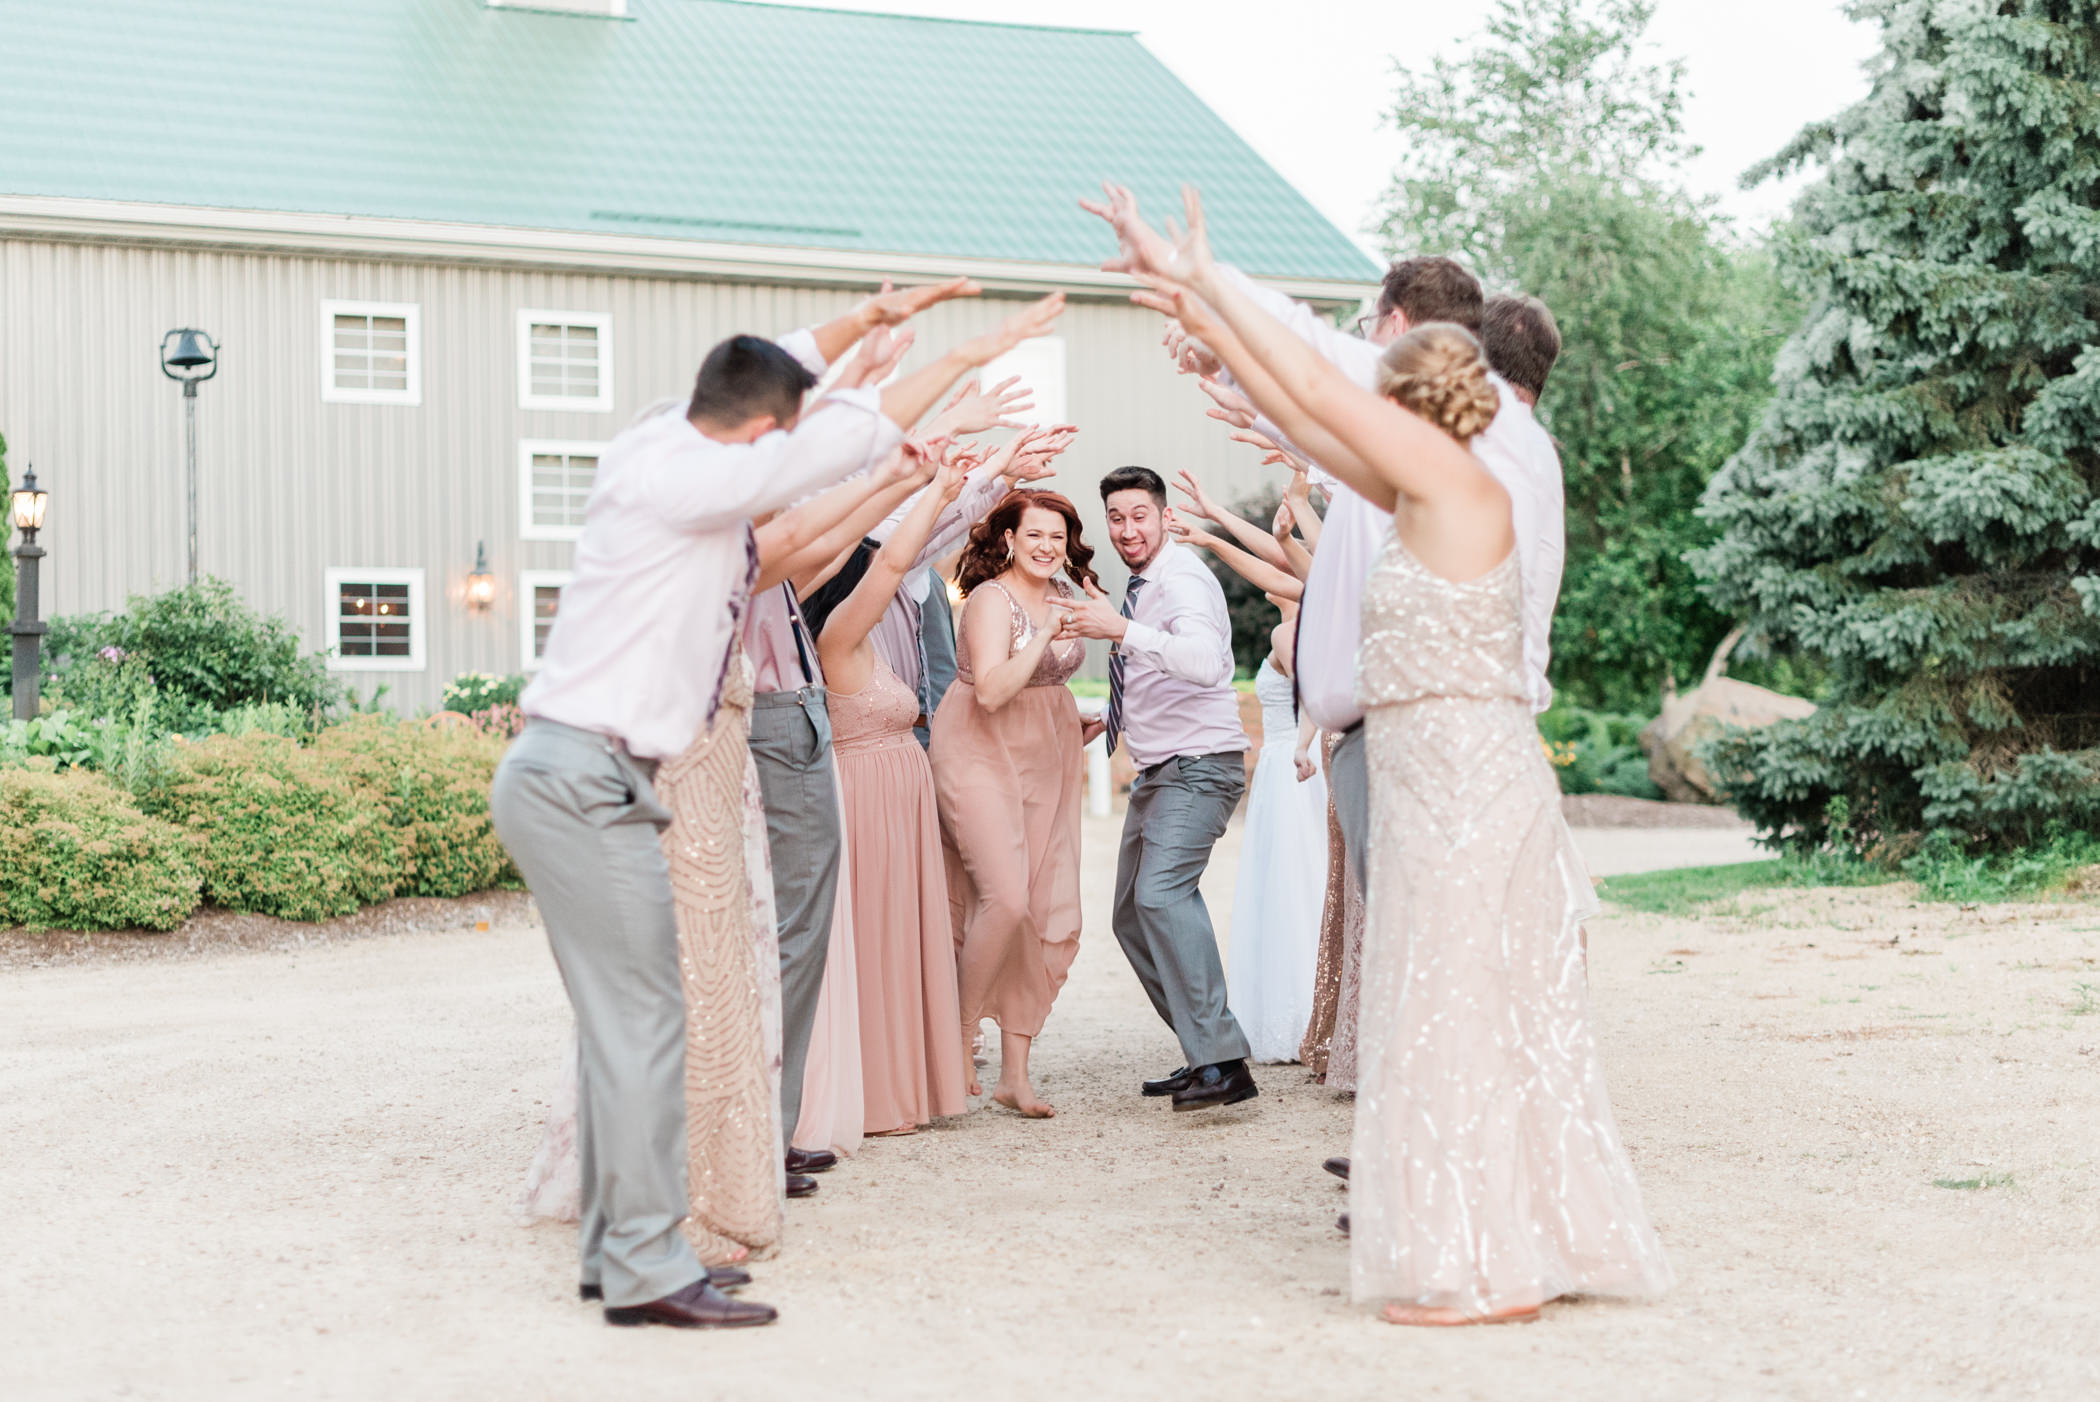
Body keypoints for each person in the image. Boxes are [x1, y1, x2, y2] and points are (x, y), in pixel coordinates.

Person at [1125, 184, 1672, 1326]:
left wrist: (1213, 281)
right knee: (1457, 1003)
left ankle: (1492, 1270)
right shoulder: (1431, 480)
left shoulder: (1456, 482)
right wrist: (1218, 333)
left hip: (1465, 786)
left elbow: (1327, 386)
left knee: (1460, 1007)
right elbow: (1314, 418)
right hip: (1444, 781)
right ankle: (1514, 1237)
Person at [491, 283, 1064, 1330]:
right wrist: (976, 349)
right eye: (782, 436)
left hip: (582, 772)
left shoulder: (661, 452)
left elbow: (802, 469)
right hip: (582, 775)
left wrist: (862, 327)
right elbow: (841, 437)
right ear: (757, 434)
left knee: (635, 1017)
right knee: (647, 1018)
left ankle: (621, 1247)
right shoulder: (690, 480)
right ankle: (643, 1263)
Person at [744, 290, 1066, 1181]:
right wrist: (948, 433)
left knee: (849, 946)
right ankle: (768, 1125)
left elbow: (898, 543)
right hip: (819, 767)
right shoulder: (831, 615)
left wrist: (959, 470)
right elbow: (881, 548)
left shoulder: (821, 593)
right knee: (807, 943)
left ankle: (828, 1104)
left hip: (870, 779)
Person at [1059, 465, 1254, 1112]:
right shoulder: (1143, 588)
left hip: (1199, 765)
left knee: (1162, 895)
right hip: (1160, 767)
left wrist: (1118, 629)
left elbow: (1206, 663)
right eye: (1116, 517)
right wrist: (1107, 721)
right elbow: (1152, 670)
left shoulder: (1183, 579)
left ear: (1166, 517)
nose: (1127, 529)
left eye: (1139, 515)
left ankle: (1224, 1063)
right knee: (1130, 915)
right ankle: (1206, 1052)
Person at [806, 453, 973, 1135]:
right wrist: (931, 492)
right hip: (867, 805)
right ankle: (875, 1095)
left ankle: (901, 1086)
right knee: (875, 947)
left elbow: (893, 565)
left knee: (899, 945)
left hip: (894, 803)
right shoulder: (841, 636)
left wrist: (948, 490)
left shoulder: (861, 645)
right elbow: (890, 566)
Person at [929, 489, 1096, 1118]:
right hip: (979, 745)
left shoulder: (1066, 595)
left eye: (1058, 536)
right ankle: (958, 1034)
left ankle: (1015, 1076)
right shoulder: (990, 601)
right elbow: (995, 689)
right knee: (1005, 895)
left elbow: (1047, 679)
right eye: (1035, 536)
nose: (1048, 547)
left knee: (1042, 907)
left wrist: (1074, 717)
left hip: (1047, 745)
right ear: (1009, 539)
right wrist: (1047, 632)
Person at [1224, 604, 1327, 1064]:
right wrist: (1216, 531)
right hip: (1281, 766)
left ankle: (1300, 1019)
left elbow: (1315, 698)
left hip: (1291, 767)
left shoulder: (1288, 633)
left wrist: (1302, 746)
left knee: (1291, 889)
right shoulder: (1296, 627)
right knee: (1294, 884)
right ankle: (1305, 1016)